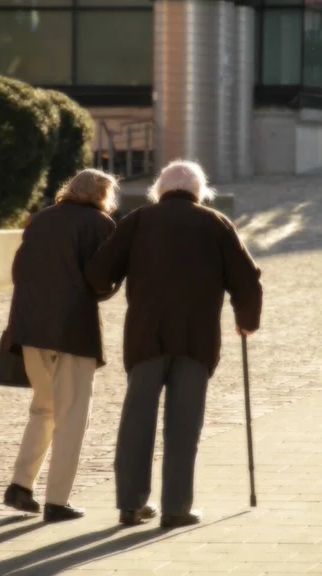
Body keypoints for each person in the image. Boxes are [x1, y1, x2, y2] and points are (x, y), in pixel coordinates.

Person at [85, 159, 263, 529]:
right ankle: (176, 508)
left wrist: (112, 286)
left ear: (160, 190)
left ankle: (131, 506)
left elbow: (100, 272)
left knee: (137, 420)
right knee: (184, 424)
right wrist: (246, 321)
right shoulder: (215, 223)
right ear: (200, 193)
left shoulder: (138, 220)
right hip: (196, 339)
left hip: (145, 337)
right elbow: (248, 279)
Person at [3, 169, 120, 523]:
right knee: (72, 416)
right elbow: (103, 278)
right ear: (103, 196)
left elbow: (18, 270)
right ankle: (57, 500)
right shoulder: (100, 224)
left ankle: (21, 486)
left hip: (29, 328)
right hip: (73, 331)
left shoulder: (39, 220)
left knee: (44, 408)